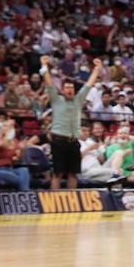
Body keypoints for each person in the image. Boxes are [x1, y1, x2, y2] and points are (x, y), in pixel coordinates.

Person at [44, 55, 101, 190]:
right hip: (59, 141)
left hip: (74, 142)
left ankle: (72, 201)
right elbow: (49, 83)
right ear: (62, 90)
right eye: (67, 87)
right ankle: (54, 203)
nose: (70, 89)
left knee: (73, 174)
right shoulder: (56, 99)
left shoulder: (78, 100)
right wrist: (44, 67)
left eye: (72, 88)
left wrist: (97, 69)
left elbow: (89, 84)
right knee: (57, 174)